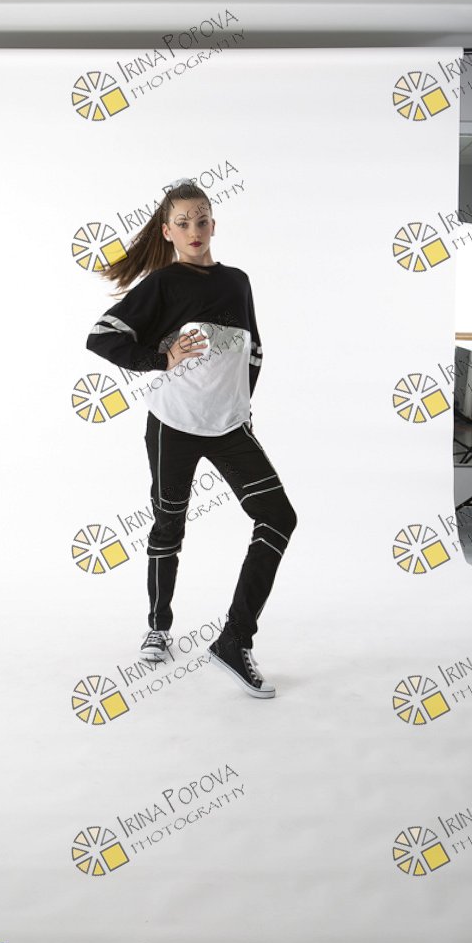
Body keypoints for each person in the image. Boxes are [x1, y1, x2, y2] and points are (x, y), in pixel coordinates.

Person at [86, 180, 297, 699]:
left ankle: (234, 640)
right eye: (182, 223)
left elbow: (253, 350)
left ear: (213, 224)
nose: (194, 230)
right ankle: (158, 626)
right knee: (168, 525)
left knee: (278, 517)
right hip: (173, 425)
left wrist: (240, 405)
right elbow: (102, 337)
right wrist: (160, 358)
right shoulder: (163, 284)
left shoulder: (237, 282)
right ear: (167, 231)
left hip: (229, 428)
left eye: (201, 220)